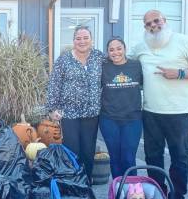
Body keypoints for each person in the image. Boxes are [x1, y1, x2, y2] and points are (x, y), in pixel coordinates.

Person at [131, 10, 188, 199]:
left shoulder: (184, 42)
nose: (153, 25)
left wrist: (180, 73)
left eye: (156, 21)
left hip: (179, 112)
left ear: (165, 21)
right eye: (148, 23)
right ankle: (158, 194)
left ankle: (177, 198)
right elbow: (126, 66)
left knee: (179, 157)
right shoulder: (140, 47)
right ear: (145, 27)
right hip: (150, 111)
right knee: (152, 156)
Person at [47, 26, 103, 181]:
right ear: (73, 41)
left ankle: (86, 185)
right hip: (69, 113)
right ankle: (73, 184)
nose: (82, 41)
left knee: (88, 150)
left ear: (91, 40)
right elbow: (54, 84)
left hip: (92, 113)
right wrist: (52, 109)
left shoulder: (99, 57)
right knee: (72, 150)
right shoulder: (64, 59)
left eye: (85, 38)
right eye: (78, 38)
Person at [100, 37, 143, 179]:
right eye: (111, 50)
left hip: (132, 119)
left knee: (128, 157)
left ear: (124, 49)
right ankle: (118, 193)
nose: (115, 52)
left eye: (119, 48)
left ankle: (132, 193)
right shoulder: (103, 67)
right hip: (109, 119)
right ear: (107, 52)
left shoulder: (136, 66)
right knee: (115, 158)